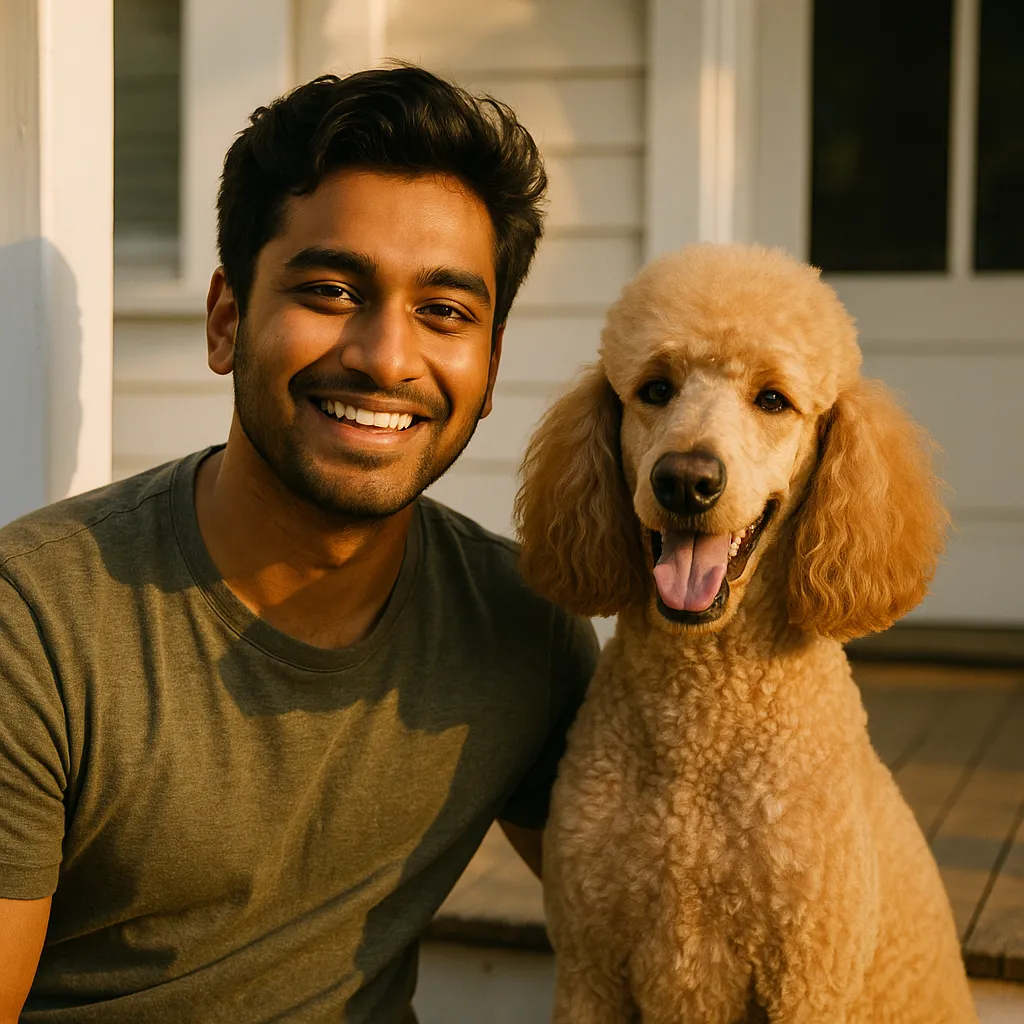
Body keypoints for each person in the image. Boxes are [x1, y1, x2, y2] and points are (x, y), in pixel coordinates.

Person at [0, 66, 598, 1023]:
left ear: (489, 371)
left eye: (445, 313)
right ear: (228, 318)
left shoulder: (520, 628)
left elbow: (658, 908)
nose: (387, 356)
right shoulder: (34, 626)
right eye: (330, 289)